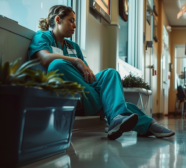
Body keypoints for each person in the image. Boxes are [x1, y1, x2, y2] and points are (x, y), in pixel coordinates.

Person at [29, 5, 175, 140]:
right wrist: (77, 61)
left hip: (88, 91)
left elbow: (88, 75)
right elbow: (44, 58)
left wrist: (82, 65)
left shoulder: (73, 46)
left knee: (110, 73)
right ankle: (145, 124)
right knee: (57, 64)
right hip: (74, 95)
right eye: (71, 21)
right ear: (58, 19)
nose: (75, 25)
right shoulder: (43, 36)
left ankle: (118, 118)